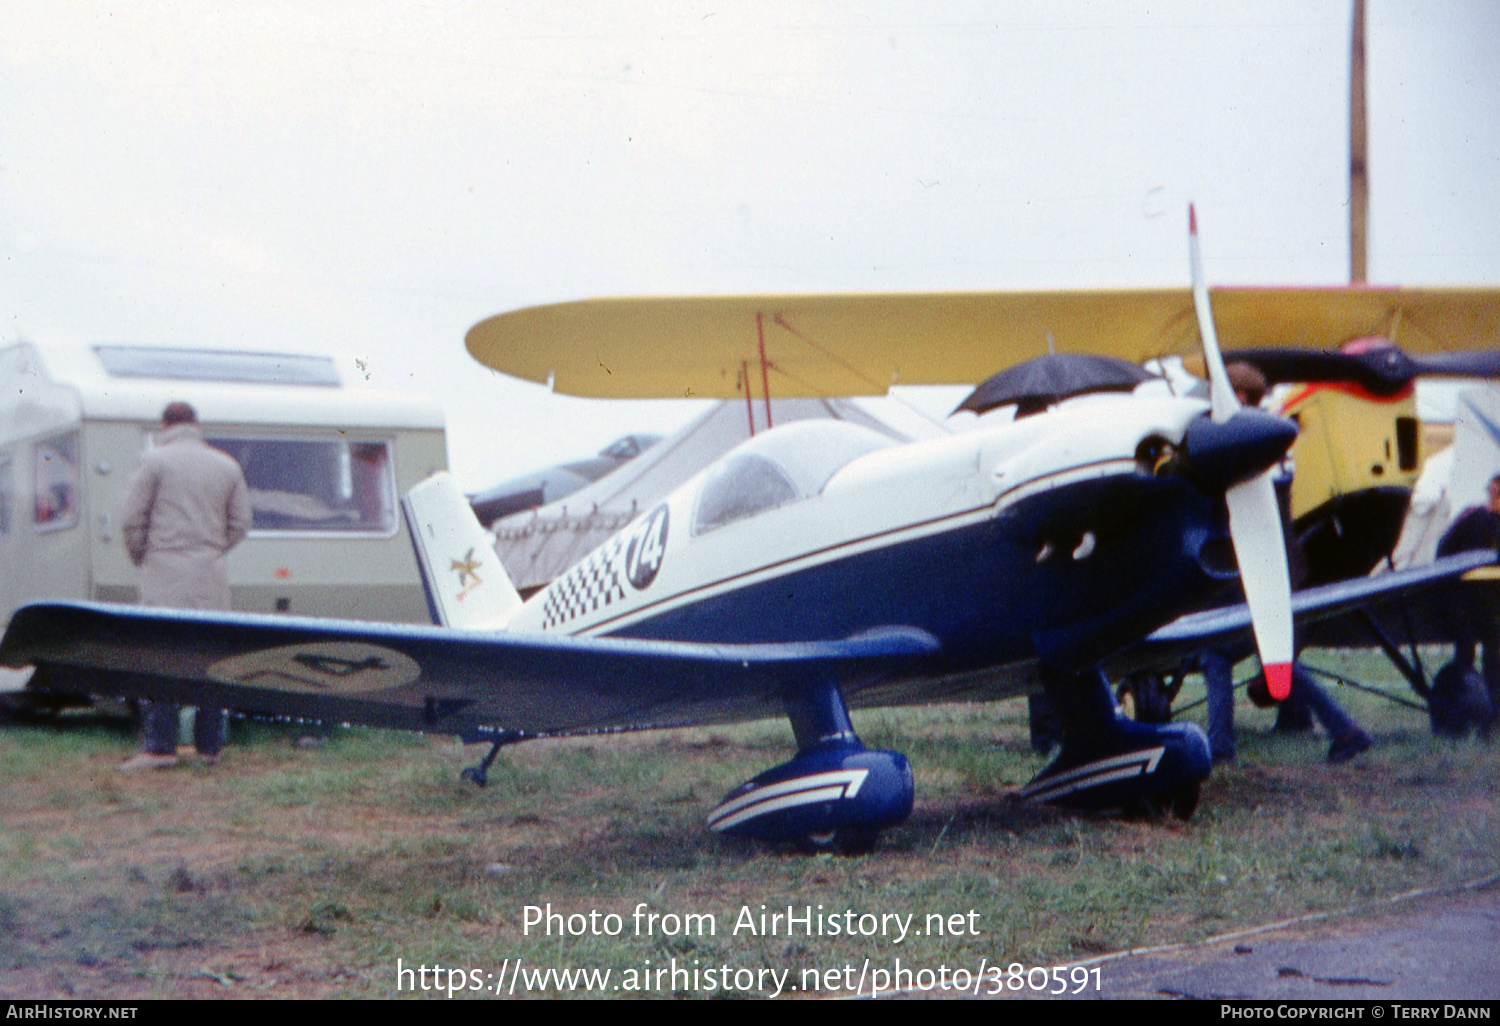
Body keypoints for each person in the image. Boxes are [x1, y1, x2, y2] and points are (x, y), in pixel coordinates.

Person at [117, 402, 252, 771]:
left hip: (163, 572)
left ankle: (160, 747)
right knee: (209, 657)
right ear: (196, 425)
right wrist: (212, 551)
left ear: (165, 425)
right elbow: (241, 521)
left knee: (161, 656)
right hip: (211, 575)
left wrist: (143, 556)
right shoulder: (227, 464)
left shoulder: (154, 461)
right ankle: (210, 747)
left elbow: (131, 520)